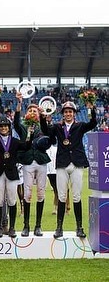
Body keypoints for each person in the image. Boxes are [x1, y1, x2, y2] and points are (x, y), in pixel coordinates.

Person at [40, 100, 97, 238]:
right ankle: (59, 228)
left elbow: (93, 123)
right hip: (62, 164)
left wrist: (91, 110)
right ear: (63, 114)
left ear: (74, 114)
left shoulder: (80, 126)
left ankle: (79, 227)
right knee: (61, 196)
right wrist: (43, 118)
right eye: (66, 112)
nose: (68, 114)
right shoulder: (57, 127)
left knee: (77, 196)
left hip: (77, 163)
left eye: (70, 112)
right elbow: (46, 131)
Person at [0, 115, 32, 238]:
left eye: (5, 126)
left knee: (12, 201)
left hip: (11, 174)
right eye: (1, 126)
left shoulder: (14, 141)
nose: (3, 128)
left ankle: (12, 227)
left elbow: (26, 146)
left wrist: (31, 133)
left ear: (9, 128)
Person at [13, 93, 53, 237]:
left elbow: (49, 135)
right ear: (27, 113)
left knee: (41, 193)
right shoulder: (23, 127)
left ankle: (38, 226)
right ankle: (26, 226)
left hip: (41, 161)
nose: (32, 112)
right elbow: (15, 124)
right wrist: (19, 104)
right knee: (28, 194)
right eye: (29, 110)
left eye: (34, 111)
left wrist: (44, 117)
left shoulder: (43, 126)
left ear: (38, 113)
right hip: (28, 161)